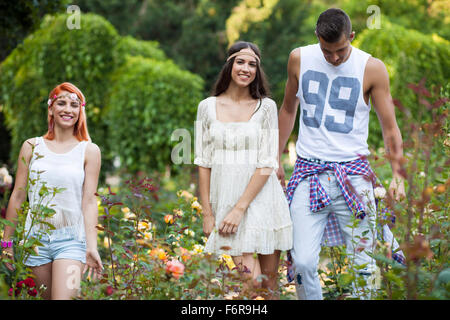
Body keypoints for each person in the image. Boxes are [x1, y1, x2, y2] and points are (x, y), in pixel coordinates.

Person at [277, 8, 406, 299]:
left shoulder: (371, 68)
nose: (334, 57)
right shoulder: (299, 58)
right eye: (326, 51)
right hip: (309, 173)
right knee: (303, 262)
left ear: (352, 36)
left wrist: (398, 175)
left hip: (354, 177)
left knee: (365, 263)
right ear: (316, 38)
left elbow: (390, 128)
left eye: (340, 50)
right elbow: (287, 109)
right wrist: (276, 156)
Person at [194, 41, 293, 299]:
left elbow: (267, 162)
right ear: (229, 65)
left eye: (252, 64)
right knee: (250, 284)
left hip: (263, 199)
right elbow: (203, 162)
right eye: (241, 62)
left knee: (269, 288)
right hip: (225, 201)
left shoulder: (266, 107)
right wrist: (207, 211)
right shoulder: (207, 107)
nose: (246, 68)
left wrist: (240, 209)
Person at [1, 82, 103, 300]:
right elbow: (18, 197)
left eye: (74, 104)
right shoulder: (31, 147)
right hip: (35, 241)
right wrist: (6, 245)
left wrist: (91, 247)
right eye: (62, 103)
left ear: (80, 111)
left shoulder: (89, 151)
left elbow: (89, 202)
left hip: (72, 241)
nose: (68, 109)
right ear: (50, 108)